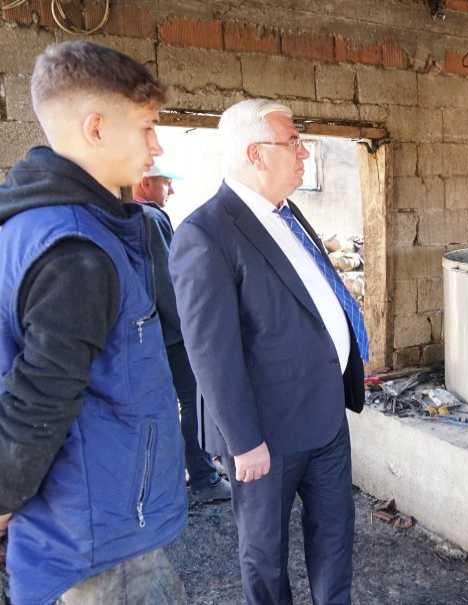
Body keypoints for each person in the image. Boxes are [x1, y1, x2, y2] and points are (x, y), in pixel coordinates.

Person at [0, 41, 187, 604]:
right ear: (97, 127)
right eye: (147, 127)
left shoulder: (37, 224)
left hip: (85, 520)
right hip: (98, 541)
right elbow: (38, 399)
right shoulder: (75, 249)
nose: (156, 145)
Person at [170, 99, 369, 605]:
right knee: (265, 556)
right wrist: (244, 441)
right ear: (256, 154)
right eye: (293, 142)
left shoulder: (287, 212)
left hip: (325, 415)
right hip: (266, 434)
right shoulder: (205, 233)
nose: (304, 153)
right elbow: (210, 351)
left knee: (335, 539)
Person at [133, 165, 232, 504]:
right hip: (171, 334)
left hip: (145, 333)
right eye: (166, 183)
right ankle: (204, 479)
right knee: (193, 401)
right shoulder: (150, 218)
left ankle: (169, 483)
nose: (171, 190)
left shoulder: (125, 214)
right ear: (145, 182)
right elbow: (166, 282)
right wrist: (192, 328)